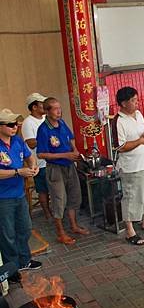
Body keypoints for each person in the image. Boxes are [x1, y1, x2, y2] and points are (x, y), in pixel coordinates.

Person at [36, 98, 89, 245]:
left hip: (70, 165)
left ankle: (73, 225)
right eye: (54, 109)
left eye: (59, 108)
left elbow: (71, 138)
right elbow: (41, 154)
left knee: (74, 195)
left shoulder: (62, 123)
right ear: (47, 111)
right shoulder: (43, 130)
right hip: (55, 168)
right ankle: (61, 232)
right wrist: (65, 155)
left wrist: (75, 151)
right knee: (59, 199)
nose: (59, 111)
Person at [114, 87, 144, 246]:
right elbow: (120, 147)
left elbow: (143, 134)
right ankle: (129, 230)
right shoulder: (118, 121)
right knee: (131, 196)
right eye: (134, 100)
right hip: (130, 165)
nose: (137, 103)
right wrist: (140, 141)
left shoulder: (139, 114)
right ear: (123, 103)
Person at [0, 108, 42, 282]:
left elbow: (29, 156)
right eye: (10, 124)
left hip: (19, 194)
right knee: (7, 234)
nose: (14, 127)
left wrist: (33, 166)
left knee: (24, 228)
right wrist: (17, 172)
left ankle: (24, 260)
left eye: (16, 123)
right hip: (3, 197)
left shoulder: (17, 141)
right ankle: (12, 268)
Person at [21, 93, 51, 219]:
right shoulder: (28, 122)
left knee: (54, 188)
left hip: (52, 159)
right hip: (40, 162)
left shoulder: (47, 118)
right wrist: (49, 139)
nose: (44, 106)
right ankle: (47, 213)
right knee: (43, 189)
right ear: (34, 107)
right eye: (41, 103)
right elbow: (31, 143)